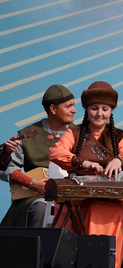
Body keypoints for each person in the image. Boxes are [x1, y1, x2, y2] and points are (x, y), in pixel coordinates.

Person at [49, 81, 123, 268]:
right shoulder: (73, 133)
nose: (100, 114)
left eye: (105, 109)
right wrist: (84, 163)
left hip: (110, 197)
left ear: (111, 111)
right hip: (81, 198)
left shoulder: (118, 135)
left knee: (121, 213)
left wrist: (119, 161)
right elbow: (56, 152)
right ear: (87, 110)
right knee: (92, 210)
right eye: (94, 108)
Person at [0, 85, 76, 228]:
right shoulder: (26, 135)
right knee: (40, 209)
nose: (74, 110)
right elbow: (6, 170)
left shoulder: (81, 134)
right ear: (53, 109)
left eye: (73, 105)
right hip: (36, 196)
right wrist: (32, 183)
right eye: (69, 106)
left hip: (74, 195)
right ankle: (34, 243)